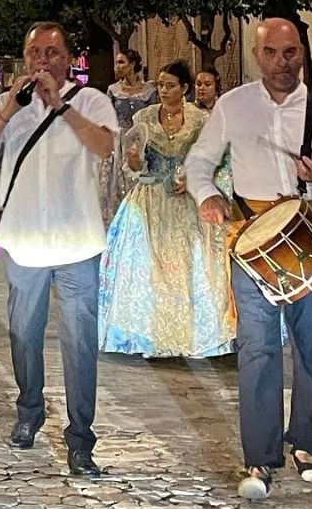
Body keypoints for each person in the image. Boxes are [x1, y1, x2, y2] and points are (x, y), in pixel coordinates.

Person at [185, 18, 312, 503]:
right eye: (272, 53)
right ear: (255, 55)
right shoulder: (233, 105)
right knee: (258, 350)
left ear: (302, 53)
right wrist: (207, 195)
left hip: (308, 238)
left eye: (291, 53)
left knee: (311, 347)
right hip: (251, 238)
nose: (282, 63)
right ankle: (259, 456)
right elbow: (199, 162)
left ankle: (307, 444)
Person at [0, 21, 119, 480]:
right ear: (24, 57)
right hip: (25, 240)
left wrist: (62, 107)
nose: (43, 61)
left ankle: (81, 438)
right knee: (23, 334)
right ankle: (29, 409)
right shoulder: (6, 103)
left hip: (78, 242)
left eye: (52, 53)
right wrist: (8, 111)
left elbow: (105, 146)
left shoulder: (91, 101)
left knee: (80, 343)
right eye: (35, 53)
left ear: (69, 58)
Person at [100, 61, 234, 359]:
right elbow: (134, 164)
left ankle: (197, 334)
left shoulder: (202, 120)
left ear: (184, 89)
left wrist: (198, 179)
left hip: (190, 201)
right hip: (150, 199)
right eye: (160, 85)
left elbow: (220, 160)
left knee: (194, 266)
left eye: (170, 85)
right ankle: (147, 334)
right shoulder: (144, 117)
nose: (163, 90)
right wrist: (134, 161)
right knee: (147, 267)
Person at [100, 49, 156, 223]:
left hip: (141, 141)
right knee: (116, 184)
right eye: (117, 62)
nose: (117, 66)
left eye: (121, 62)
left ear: (132, 65)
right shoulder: (113, 90)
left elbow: (153, 117)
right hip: (119, 142)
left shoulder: (149, 90)